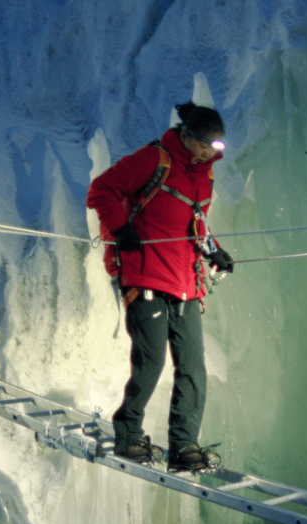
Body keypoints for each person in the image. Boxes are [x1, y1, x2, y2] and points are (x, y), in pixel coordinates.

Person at [87, 102, 234, 472]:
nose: (208, 152)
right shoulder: (155, 159)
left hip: (186, 285)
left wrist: (214, 251)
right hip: (145, 277)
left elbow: (193, 224)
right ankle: (128, 433)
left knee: (192, 369)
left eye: (216, 147)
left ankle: (184, 448)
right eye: (205, 144)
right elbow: (102, 189)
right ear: (186, 135)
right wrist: (122, 230)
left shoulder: (204, 177)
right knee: (151, 361)